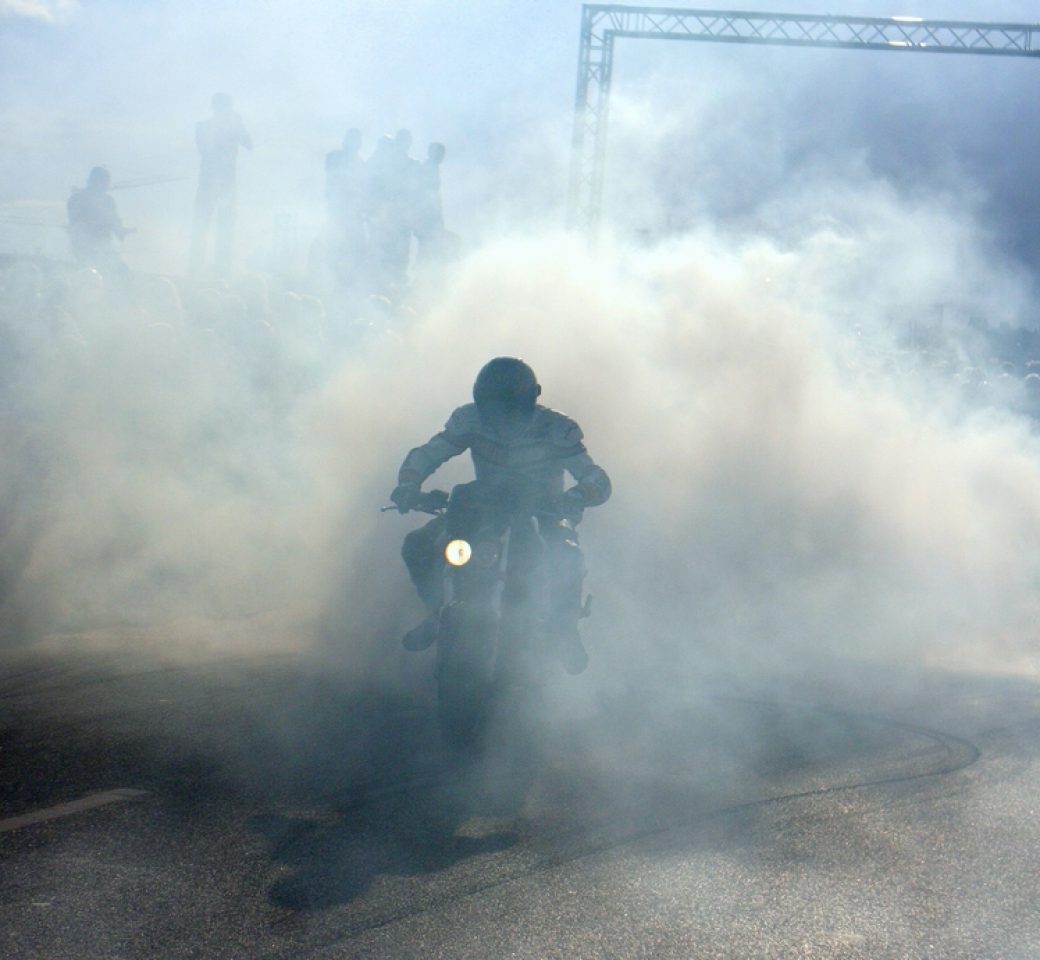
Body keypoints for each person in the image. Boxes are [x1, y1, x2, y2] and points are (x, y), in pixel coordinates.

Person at [390, 357, 611, 674]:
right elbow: (428, 453)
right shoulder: (469, 421)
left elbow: (596, 478)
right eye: (492, 407)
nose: (500, 417)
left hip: (544, 511)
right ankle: (437, 613)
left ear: (530, 400)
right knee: (418, 545)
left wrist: (576, 496)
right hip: (483, 506)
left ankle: (564, 631)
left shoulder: (557, 429)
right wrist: (409, 484)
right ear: (480, 402)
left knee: (568, 556)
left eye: (508, 407)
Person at [190, 92, 252, 276]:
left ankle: (219, 272)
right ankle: (198, 271)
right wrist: (234, 128)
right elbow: (207, 150)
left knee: (223, 229)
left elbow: (249, 143)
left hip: (223, 185)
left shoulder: (230, 127)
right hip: (213, 184)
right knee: (203, 228)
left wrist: (239, 127)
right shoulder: (203, 127)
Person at [66, 166, 131, 273]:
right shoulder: (76, 199)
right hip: (84, 250)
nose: (107, 185)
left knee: (123, 271)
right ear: (95, 181)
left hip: (105, 249)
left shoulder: (108, 201)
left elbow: (116, 224)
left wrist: (122, 231)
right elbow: (75, 226)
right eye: (105, 182)